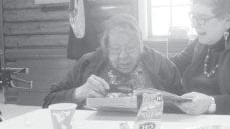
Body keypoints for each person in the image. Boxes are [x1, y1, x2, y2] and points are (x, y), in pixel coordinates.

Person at [43, 14, 183, 110]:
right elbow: (48, 102)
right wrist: (79, 92)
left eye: (130, 48)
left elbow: (185, 105)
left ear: (141, 46)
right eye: (115, 49)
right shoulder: (88, 63)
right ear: (106, 48)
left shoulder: (161, 64)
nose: (123, 56)